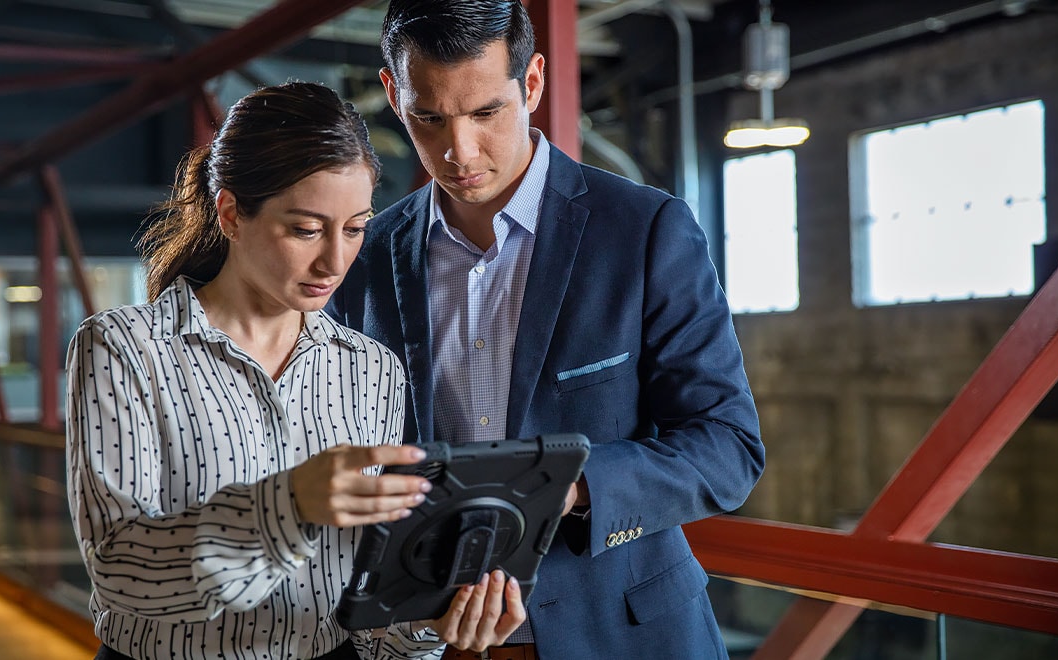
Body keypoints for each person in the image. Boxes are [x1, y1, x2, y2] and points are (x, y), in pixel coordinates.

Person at [324, 2, 767, 659]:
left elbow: (728, 449)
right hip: (434, 639)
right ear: (393, 94)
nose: (458, 151)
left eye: (485, 113)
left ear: (530, 84)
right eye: (429, 117)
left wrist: (571, 484)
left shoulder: (644, 232)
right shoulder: (362, 259)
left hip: (625, 635)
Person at [65, 81, 521, 660]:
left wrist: (434, 619)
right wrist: (288, 506)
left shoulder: (372, 368)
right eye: (306, 229)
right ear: (231, 213)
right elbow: (120, 570)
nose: (334, 261)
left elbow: (369, 594)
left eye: (355, 228)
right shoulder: (125, 348)